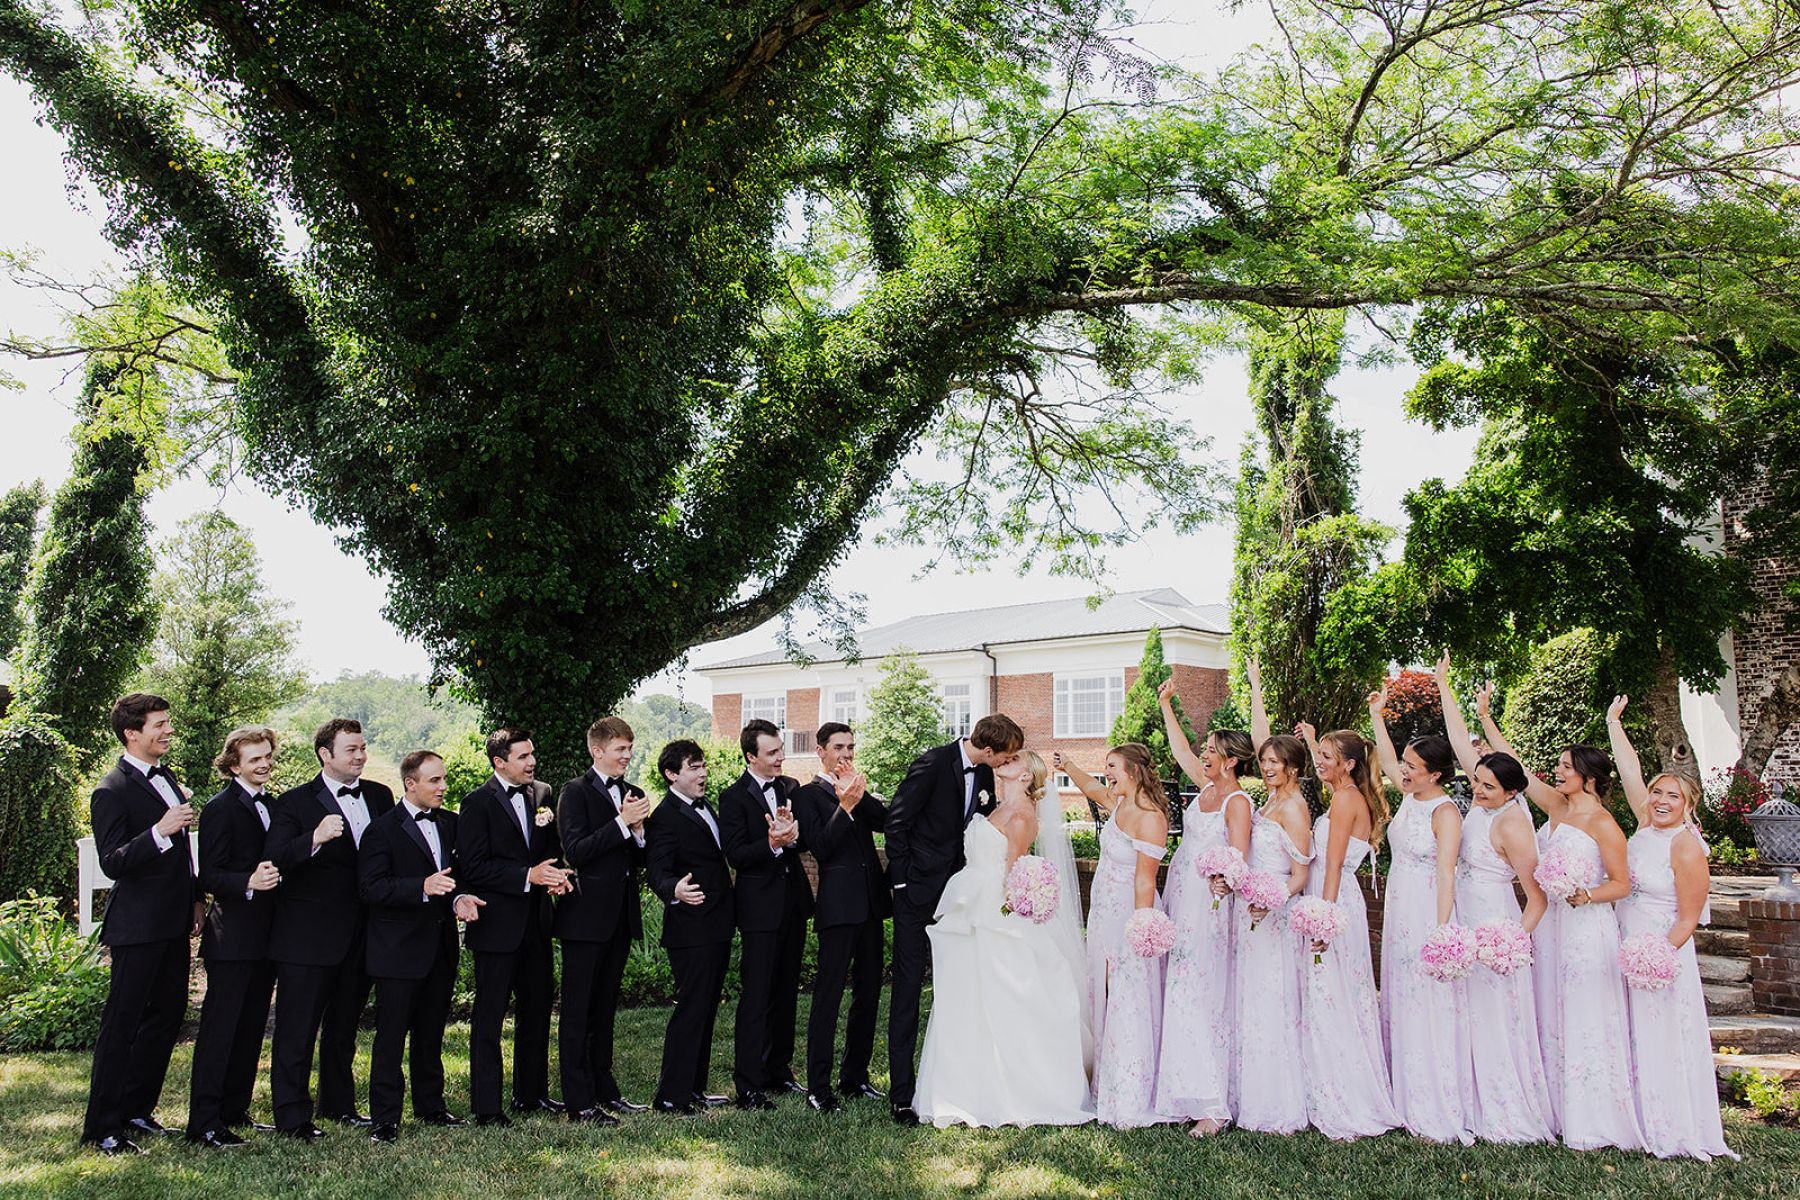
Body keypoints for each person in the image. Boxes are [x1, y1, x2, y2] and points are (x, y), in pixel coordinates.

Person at [1480, 693, 1645, 1152]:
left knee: (1583, 1015)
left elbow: (1623, 884)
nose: (1558, 772)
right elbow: (1516, 769)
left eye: (1566, 767)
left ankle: (1595, 1118)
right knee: (1549, 1009)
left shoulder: (1604, 824)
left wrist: (1585, 894)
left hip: (1586, 929)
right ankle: (1553, 1109)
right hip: (1551, 928)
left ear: (1588, 777)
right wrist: (1487, 718)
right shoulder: (1556, 808)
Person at [914, 750, 1093, 1128]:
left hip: (997, 912)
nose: (1004, 764)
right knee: (967, 998)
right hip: (971, 903)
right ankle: (963, 1087)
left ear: (1027, 776)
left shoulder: (1023, 817)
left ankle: (1019, 1090)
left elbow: (1017, 870)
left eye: (1013, 761)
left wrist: (1012, 905)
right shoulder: (995, 807)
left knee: (1004, 995)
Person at [1608, 697, 1737, 1161]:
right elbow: (1629, 774)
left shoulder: (1686, 847)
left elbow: (1688, 917)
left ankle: (1674, 1123)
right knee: (1631, 1031)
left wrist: (1657, 957)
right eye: (1658, 793)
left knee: (1663, 1034)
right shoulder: (1645, 826)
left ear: (1688, 805)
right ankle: (1634, 1117)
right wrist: (1613, 724)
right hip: (1627, 939)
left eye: (1672, 796)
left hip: (1663, 951)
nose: (1661, 801)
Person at [884, 712, 1025, 1124]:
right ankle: (901, 1095)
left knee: (957, 990)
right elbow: (897, 823)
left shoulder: (983, 776)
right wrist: (902, 886)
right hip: (916, 896)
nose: (1005, 763)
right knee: (908, 991)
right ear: (987, 749)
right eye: (1006, 757)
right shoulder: (931, 764)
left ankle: (952, 1083)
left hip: (962, 898)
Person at [1437, 659, 1554, 1145]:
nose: (1477, 789)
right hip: (1465, 912)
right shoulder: (1484, 806)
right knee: (1465, 1012)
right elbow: (1463, 744)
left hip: (1495, 924)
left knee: (1494, 1018)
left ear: (1510, 791)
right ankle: (1466, 1101)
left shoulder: (1512, 822)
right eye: (1477, 782)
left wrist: (1510, 941)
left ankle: (1506, 1111)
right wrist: (1446, 686)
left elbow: (1537, 898)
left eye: (1487, 785)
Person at [82, 694, 204, 1155]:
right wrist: (160, 829)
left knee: (167, 1017)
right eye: (160, 724)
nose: (168, 730)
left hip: (174, 921)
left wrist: (195, 898)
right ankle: (101, 1126)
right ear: (132, 732)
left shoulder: (167, 777)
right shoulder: (110, 790)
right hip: (136, 927)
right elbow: (114, 861)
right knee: (123, 1025)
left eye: (169, 722)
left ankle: (137, 1109)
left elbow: (182, 855)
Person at [266, 717, 395, 1138]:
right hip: (309, 935)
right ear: (326, 754)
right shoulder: (293, 803)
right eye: (351, 750)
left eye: (362, 748)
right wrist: (315, 838)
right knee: (297, 1030)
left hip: (364, 932)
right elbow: (276, 857)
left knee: (344, 1025)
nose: (360, 756)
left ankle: (338, 1104)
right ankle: (292, 1116)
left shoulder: (380, 795)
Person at [359, 750, 486, 1143]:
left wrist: (460, 898)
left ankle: (431, 1107)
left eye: (444, 779)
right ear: (410, 783)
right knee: (391, 1035)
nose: (444, 787)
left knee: (431, 1033)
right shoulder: (381, 830)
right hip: (397, 949)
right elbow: (371, 888)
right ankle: (384, 1116)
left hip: (440, 946)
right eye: (435, 781)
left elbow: (460, 877)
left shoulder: (451, 823)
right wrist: (420, 886)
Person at [1369, 687, 1474, 1145]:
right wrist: (1378, 715)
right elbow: (1387, 758)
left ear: (1435, 774)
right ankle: (1401, 1095)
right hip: (1400, 903)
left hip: (1428, 907)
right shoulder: (1412, 796)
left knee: (1428, 1004)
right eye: (1405, 765)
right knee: (1401, 994)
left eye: (1413, 768)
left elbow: (1447, 874)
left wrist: (1441, 930)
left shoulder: (1444, 811)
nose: (1404, 772)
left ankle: (1435, 1106)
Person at [1152, 680, 1253, 1136]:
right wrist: (1166, 706)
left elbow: (1240, 860)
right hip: (1182, 897)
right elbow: (1180, 752)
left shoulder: (1236, 801)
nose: (1204, 754)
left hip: (1210, 907)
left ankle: (1213, 1103)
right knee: (1182, 988)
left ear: (1230, 760)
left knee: (1204, 993)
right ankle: (1183, 1090)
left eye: (1211, 750)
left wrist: (1223, 882)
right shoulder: (1205, 788)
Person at [458, 727, 570, 1124]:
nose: (532, 762)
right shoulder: (476, 803)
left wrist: (559, 873)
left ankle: (531, 1094)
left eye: (532, 754)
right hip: (496, 926)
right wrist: (527, 876)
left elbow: (550, 850)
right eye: (523, 757)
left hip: (537, 924)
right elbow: (471, 866)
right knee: (489, 1017)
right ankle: (487, 1107)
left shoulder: (542, 794)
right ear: (499, 762)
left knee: (537, 1010)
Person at [1293, 722, 1399, 1141]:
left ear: (1349, 764)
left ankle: (1340, 1094)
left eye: (1326, 757)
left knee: (1330, 994)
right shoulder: (1348, 794)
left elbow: (1332, 865)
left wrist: (1322, 917)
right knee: (1339, 994)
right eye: (1317, 754)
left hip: (1332, 898)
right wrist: (1312, 738)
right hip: (1341, 899)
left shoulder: (1345, 801)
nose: (1318, 762)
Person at [1063, 745, 1170, 1128]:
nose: (1107, 773)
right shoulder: (1118, 802)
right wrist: (1068, 764)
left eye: (1113, 767)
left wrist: (1141, 926)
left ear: (1135, 771)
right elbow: (1091, 789)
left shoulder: (1150, 817)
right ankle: (1106, 1080)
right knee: (1104, 991)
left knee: (1129, 993)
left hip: (1130, 913)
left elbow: (1145, 878)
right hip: (1104, 914)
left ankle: (1132, 1089)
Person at [186, 727, 283, 1148]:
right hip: (231, 936)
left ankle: (234, 1109)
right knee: (220, 1030)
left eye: (267, 756)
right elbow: (209, 874)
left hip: (270, 936)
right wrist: (248, 881)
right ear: (233, 765)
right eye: (254, 759)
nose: (263, 764)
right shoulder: (220, 809)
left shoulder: (275, 805)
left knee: (250, 1028)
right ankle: (204, 1123)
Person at [554, 715, 651, 1124]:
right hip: (584, 916)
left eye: (629, 749)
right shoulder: (574, 793)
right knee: (578, 1009)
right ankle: (578, 1100)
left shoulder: (633, 793)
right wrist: (621, 824)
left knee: (605, 1007)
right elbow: (576, 850)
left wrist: (641, 832)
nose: (627, 756)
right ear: (598, 751)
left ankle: (604, 1088)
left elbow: (641, 858)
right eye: (620, 750)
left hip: (619, 916)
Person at [1230, 658, 1313, 1134]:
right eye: (1264, 763)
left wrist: (1271, 898)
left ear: (1294, 768)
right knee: (1252, 999)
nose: (1266, 767)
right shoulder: (1268, 800)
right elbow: (1264, 734)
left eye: (1275, 763)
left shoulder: (1295, 808)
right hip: (1253, 912)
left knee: (1271, 1000)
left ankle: (1275, 1102)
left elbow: (1300, 873)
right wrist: (1257, 685)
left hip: (1275, 913)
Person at [792, 723, 889, 1113]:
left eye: (850, 747)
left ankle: (854, 1076)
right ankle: (819, 1086)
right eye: (838, 748)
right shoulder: (808, 795)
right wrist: (845, 806)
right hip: (837, 907)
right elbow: (822, 847)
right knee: (829, 995)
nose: (846, 754)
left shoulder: (857, 788)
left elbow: (883, 821)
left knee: (869, 993)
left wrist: (857, 797)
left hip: (870, 905)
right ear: (821, 751)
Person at [718, 718, 813, 1108]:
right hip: (758, 908)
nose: (781, 758)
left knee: (786, 990)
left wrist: (792, 837)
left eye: (780, 750)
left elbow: (806, 838)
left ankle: (779, 1070)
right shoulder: (733, 797)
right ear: (750, 756)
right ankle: (749, 1082)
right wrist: (772, 844)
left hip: (793, 902)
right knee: (756, 995)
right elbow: (736, 853)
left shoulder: (791, 788)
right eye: (772, 752)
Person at [645, 739, 735, 1115]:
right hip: (690, 928)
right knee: (690, 1010)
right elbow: (657, 872)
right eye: (693, 768)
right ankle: (670, 1096)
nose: (702, 774)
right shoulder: (664, 817)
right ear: (671, 774)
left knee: (707, 1008)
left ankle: (694, 1089)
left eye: (703, 766)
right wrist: (675, 890)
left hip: (716, 924)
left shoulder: (705, 807)